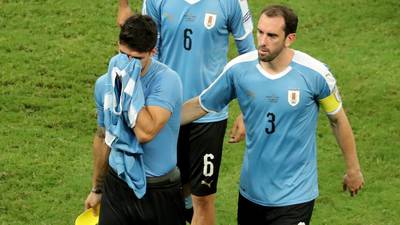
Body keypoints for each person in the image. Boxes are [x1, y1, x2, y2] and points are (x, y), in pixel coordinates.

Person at [181, 4, 364, 225]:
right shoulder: (239, 69)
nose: (262, 41)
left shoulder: (315, 75)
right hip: (251, 194)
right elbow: (201, 105)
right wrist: (156, 121)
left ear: (290, 39)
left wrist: (353, 169)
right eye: (260, 32)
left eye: (272, 35)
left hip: (295, 196)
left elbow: (337, 119)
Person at [117, 1, 256, 224]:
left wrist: (247, 112)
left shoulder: (232, 3)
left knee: (204, 198)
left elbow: (249, 56)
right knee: (164, 190)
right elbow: (146, 47)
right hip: (164, 112)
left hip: (209, 116)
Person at [84, 14, 185, 225]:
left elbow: (145, 132)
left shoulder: (166, 81)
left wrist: (129, 88)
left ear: (152, 52)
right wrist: (97, 188)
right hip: (117, 186)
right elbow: (104, 136)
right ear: (117, 45)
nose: (128, 65)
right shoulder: (104, 84)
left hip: (159, 191)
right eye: (123, 55)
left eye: (137, 59)